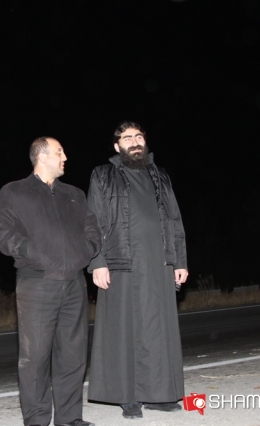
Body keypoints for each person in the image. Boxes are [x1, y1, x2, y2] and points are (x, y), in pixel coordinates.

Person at [0, 136, 101, 426]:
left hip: (74, 284)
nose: (65, 157)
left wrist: (86, 250)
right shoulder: (15, 192)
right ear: (42, 156)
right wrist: (30, 250)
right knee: (35, 357)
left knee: (73, 356)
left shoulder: (74, 194)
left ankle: (69, 418)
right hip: (36, 284)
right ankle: (37, 420)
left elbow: (91, 227)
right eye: (59, 152)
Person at [86, 121, 189, 419]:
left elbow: (175, 220)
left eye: (139, 136)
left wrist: (180, 260)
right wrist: (97, 261)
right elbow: (93, 221)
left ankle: (158, 394)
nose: (134, 141)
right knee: (123, 330)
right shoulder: (102, 174)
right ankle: (128, 396)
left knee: (157, 329)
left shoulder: (161, 176)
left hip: (159, 264)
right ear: (117, 146)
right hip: (120, 262)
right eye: (127, 137)